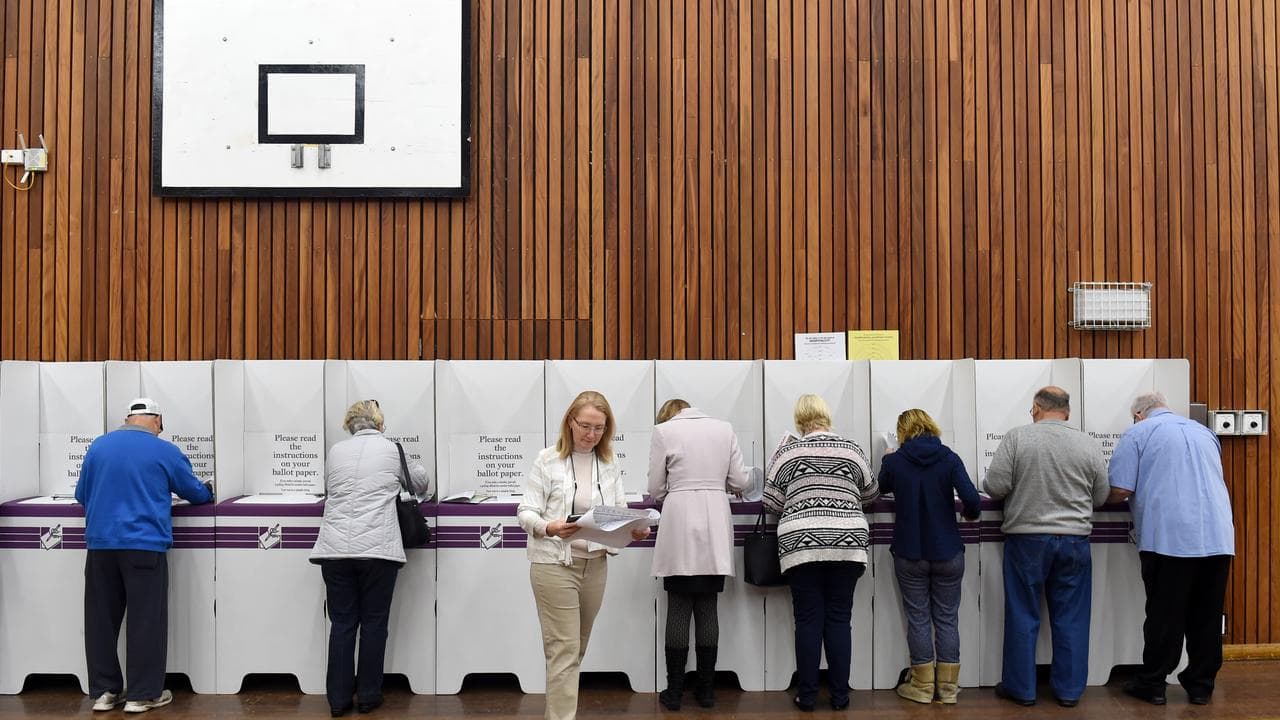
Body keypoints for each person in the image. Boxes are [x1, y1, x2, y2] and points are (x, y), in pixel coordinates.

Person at [75, 398, 215, 713]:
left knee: (100, 622)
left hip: (100, 545)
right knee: (145, 621)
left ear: (128, 418)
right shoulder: (164, 450)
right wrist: (208, 491)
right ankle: (142, 694)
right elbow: (195, 492)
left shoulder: (98, 447)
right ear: (156, 420)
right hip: (144, 544)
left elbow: (81, 494)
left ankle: (105, 692)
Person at [517, 391, 650, 720]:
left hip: (596, 565)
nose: (592, 435)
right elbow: (526, 512)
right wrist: (549, 527)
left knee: (575, 649)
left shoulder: (608, 462)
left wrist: (634, 528)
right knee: (563, 649)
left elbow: (618, 512)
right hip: (554, 565)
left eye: (600, 428)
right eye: (585, 426)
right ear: (569, 422)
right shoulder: (547, 459)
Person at [984, 386, 1109, 708]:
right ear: (1066, 411)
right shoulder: (1088, 443)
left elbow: (996, 486)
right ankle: (1069, 691)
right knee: (1072, 618)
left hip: (1027, 540)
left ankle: (1022, 689)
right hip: (1074, 540)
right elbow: (1100, 496)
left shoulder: (1017, 438)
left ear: (1037, 408)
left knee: (1023, 614)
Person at [1107, 392, 1235, 706]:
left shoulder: (1138, 432)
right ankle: (1201, 685)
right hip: (1218, 536)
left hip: (1170, 537)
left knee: (1165, 613)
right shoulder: (1204, 432)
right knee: (1206, 614)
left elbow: (1121, 489)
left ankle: (1153, 683)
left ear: (1138, 414)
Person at [310, 399, 432, 717]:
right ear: (380, 424)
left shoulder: (336, 451)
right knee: (374, 624)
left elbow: (329, 487)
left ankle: (337, 700)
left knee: (342, 624)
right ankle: (368, 695)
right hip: (378, 549)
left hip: (334, 551)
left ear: (350, 425)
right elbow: (421, 483)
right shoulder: (392, 449)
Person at [763, 394, 879, 712]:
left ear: (800, 421)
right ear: (828, 417)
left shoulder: (788, 452)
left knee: (808, 621)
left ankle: (809, 696)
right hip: (848, 542)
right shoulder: (852, 449)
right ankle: (840, 697)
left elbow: (770, 501)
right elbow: (871, 493)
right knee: (840, 619)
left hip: (801, 545)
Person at [648, 398, 751, 710]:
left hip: (678, 517)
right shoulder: (724, 429)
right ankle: (707, 690)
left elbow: (655, 487)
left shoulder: (663, 431)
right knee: (708, 607)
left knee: (678, 607)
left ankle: (674, 691)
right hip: (715, 519)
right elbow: (740, 481)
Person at [877, 408, 981, 705]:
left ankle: (922, 687)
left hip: (909, 553)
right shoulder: (948, 457)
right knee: (947, 619)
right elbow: (972, 499)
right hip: (948, 550)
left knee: (918, 618)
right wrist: (969, 516)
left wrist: (886, 458)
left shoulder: (896, 461)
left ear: (902, 432)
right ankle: (947, 689)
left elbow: (880, 488)